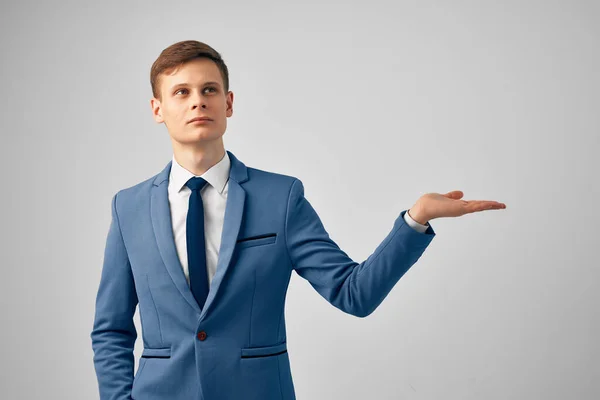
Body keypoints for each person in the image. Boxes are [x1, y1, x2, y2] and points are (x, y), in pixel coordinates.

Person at [90, 40, 506, 400]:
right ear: (157, 109)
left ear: (228, 103)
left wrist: (416, 219)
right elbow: (111, 329)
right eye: (181, 92)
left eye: (209, 89)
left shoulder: (280, 198)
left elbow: (353, 293)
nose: (198, 100)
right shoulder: (128, 208)